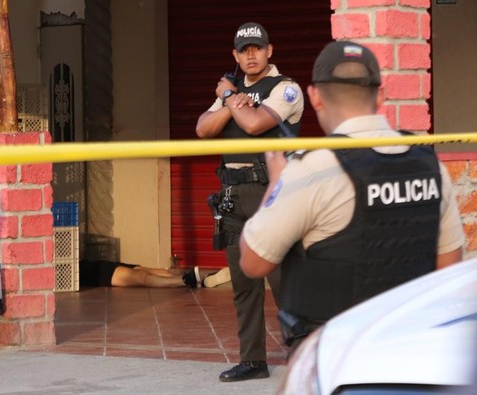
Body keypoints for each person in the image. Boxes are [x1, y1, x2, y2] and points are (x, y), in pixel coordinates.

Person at [240, 41, 465, 354]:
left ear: (315, 97)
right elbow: (448, 267)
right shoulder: (429, 164)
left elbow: (253, 262)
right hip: (413, 353)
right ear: (381, 95)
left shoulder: (312, 169)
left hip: (337, 361)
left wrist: (275, 184)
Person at [195, 22, 304, 382]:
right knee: (244, 285)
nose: (251, 55)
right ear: (235, 56)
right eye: (244, 50)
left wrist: (228, 99)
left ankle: (309, 357)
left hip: (270, 193)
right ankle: (253, 360)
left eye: (257, 48)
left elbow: (256, 124)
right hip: (233, 195)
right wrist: (231, 100)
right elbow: (203, 129)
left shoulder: (286, 88)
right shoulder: (234, 88)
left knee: (284, 283)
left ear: (269, 50)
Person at [79, 259, 202, 288]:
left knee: (142, 269)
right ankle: (184, 280)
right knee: (142, 277)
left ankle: (196, 279)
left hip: (98, 264)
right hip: (97, 274)